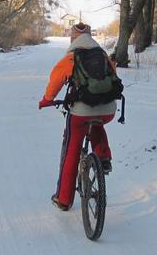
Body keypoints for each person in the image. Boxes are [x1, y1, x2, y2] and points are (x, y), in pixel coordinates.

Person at [38, 23, 117, 211]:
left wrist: (47, 99)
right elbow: (113, 78)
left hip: (81, 113)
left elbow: (56, 79)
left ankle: (63, 199)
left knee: (71, 150)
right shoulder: (103, 55)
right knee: (97, 124)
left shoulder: (72, 57)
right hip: (108, 110)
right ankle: (103, 156)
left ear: (73, 38)